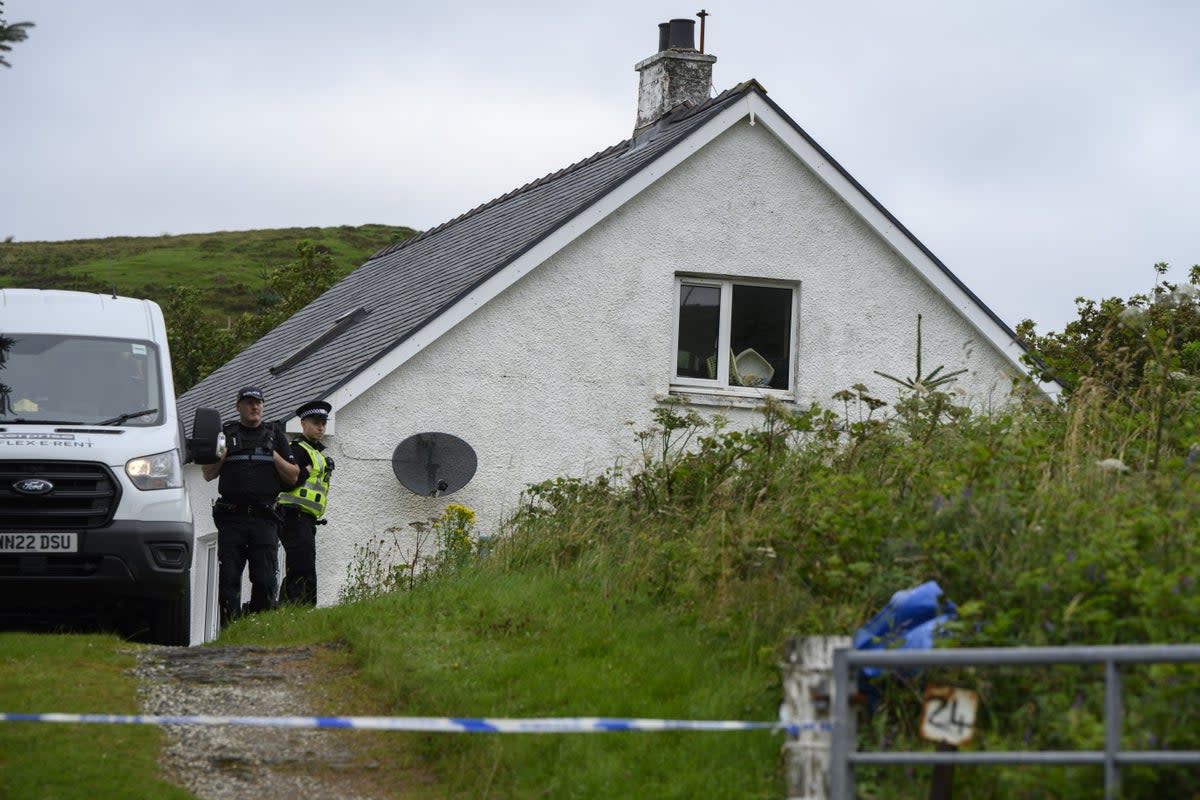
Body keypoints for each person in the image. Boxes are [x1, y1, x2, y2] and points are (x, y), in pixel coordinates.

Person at [201, 386, 298, 626]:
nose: (254, 407)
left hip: (264, 520)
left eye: (258, 403)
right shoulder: (226, 434)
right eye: (248, 403)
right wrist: (224, 452)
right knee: (229, 581)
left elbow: (293, 476)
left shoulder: (275, 435)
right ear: (238, 406)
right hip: (232, 519)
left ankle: (256, 627)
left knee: (264, 580)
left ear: (263, 406)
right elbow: (207, 473)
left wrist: (272, 453)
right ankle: (229, 630)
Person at [277, 399, 334, 606]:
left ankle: (292, 608)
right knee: (302, 567)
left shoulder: (317, 453)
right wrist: (304, 472)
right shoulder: (297, 450)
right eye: (316, 422)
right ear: (303, 424)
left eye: (323, 423)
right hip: (293, 516)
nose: (321, 427)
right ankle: (298, 608)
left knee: (303, 565)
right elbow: (286, 482)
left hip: (306, 520)